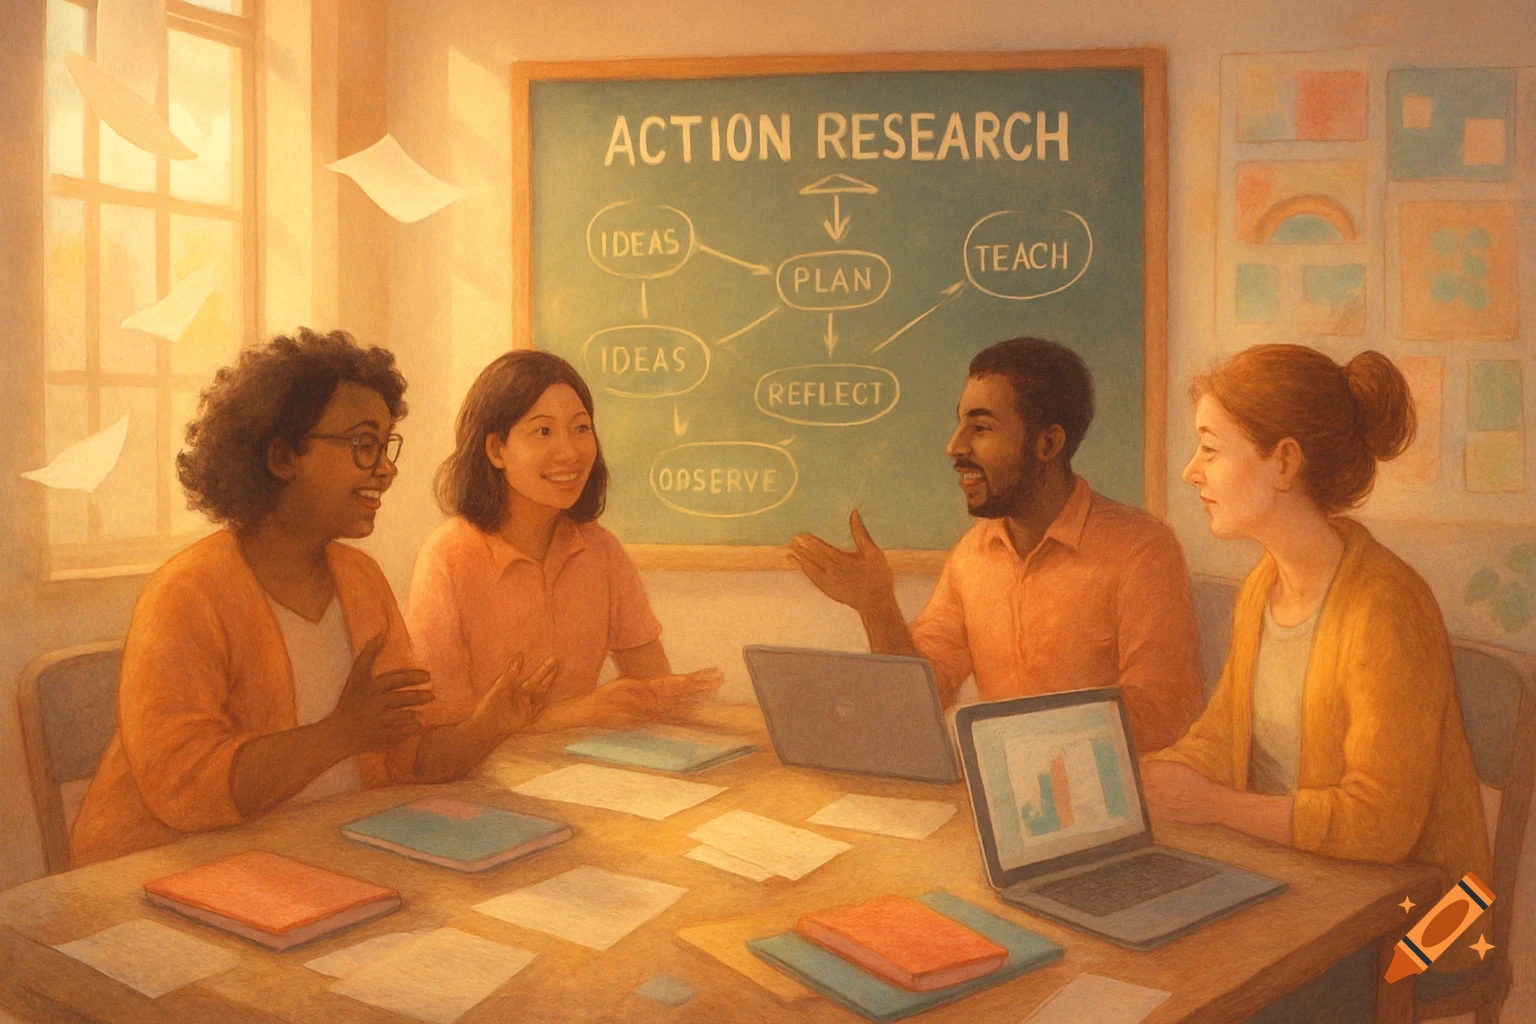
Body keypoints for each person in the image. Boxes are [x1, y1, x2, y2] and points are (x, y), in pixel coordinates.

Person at [70, 329, 559, 867]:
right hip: (167, 871)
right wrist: (338, 735)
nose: (386, 468)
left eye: (385, 445)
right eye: (362, 444)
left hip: (313, 857)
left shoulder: (362, 581)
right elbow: (185, 789)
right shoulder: (188, 592)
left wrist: (488, 726)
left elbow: (400, 755)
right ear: (282, 456)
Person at [1142, 344, 1490, 897]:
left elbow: (1380, 825)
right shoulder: (1263, 587)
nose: (1190, 470)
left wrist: (1216, 806)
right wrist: (1134, 782)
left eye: (1210, 449)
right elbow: (1220, 739)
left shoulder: (1385, 605)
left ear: (1283, 462)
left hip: (1426, 921)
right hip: (1306, 884)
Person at [789, 336, 1202, 754]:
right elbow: (919, 700)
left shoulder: (1141, 549)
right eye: (960, 424)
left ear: (1048, 444)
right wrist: (877, 606)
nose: (954, 446)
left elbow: (1163, 716)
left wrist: (1021, 750)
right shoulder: (972, 554)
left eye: (981, 428)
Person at [405, 350, 721, 737]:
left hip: (583, 773)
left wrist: (674, 695)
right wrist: (578, 713)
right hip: (481, 783)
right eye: (543, 431)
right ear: (496, 450)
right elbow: (440, 727)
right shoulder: (448, 555)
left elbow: (651, 683)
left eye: (581, 428)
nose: (570, 452)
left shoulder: (600, 550)